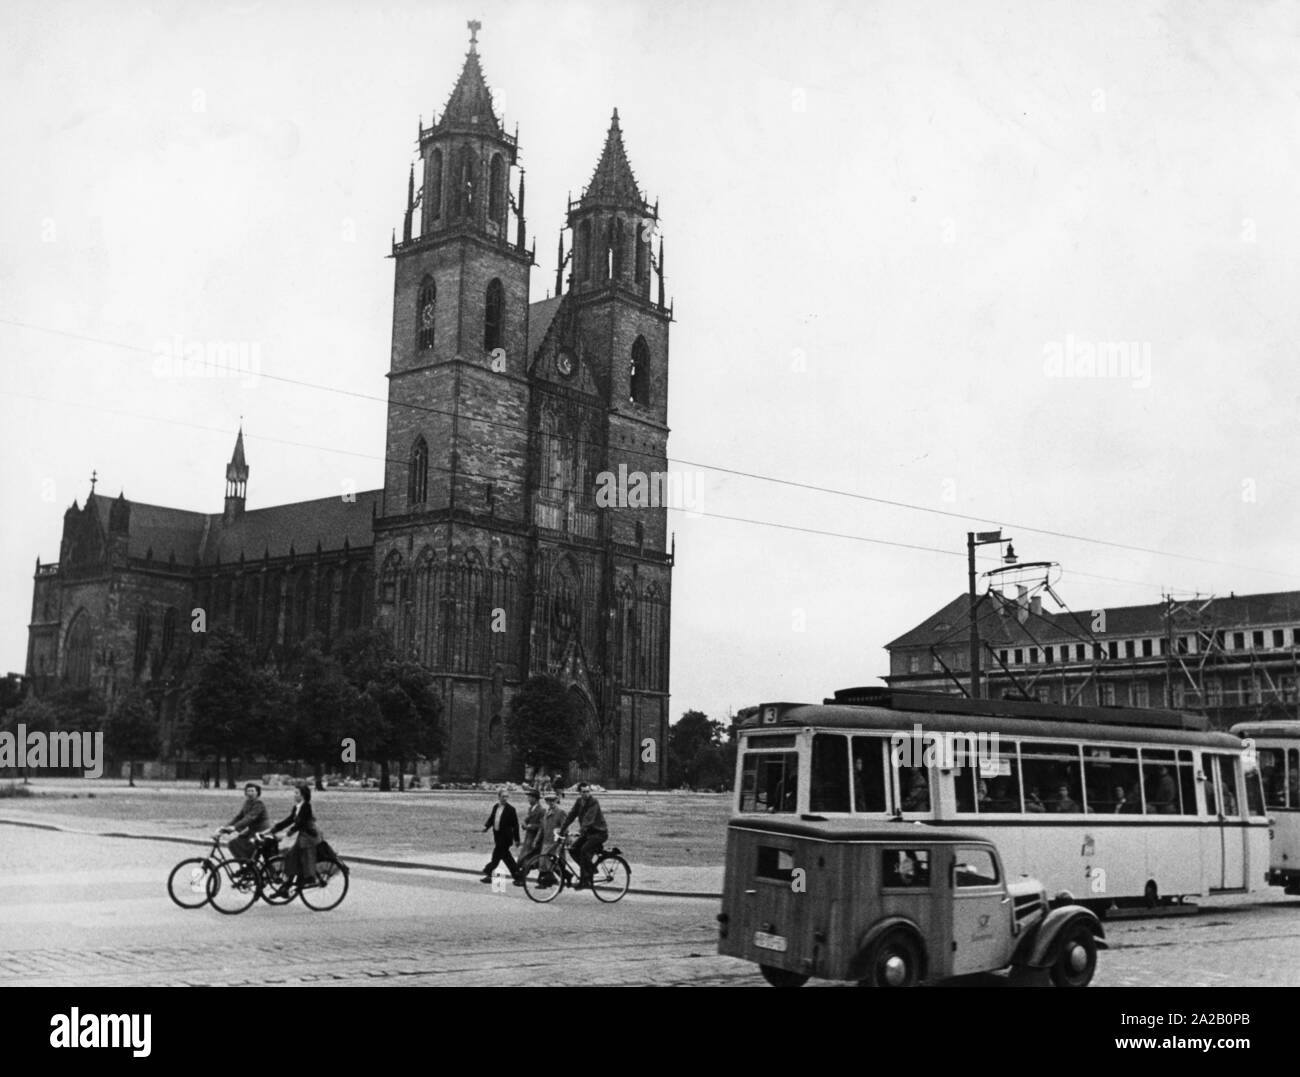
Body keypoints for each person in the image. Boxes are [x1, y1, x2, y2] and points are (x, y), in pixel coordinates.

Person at [267, 783, 321, 898]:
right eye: (294, 793)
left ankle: (309, 878)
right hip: (303, 836)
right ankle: (286, 887)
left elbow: (301, 823)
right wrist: (274, 829)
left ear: (303, 795)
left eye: (297, 793)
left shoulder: (306, 806)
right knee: (291, 857)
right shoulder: (297, 807)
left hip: (309, 837)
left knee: (298, 855)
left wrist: (287, 833)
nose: (294, 795)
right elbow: (289, 820)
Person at [562, 782, 609, 889]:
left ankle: (585, 879)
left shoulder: (593, 802)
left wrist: (580, 831)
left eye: (588, 791)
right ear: (579, 793)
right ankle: (590, 869)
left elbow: (589, 819)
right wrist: (562, 829)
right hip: (588, 833)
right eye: (583, 792)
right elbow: (571, 815)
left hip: (599, 833)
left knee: (584, 850)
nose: (586, 794)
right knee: (573, 849)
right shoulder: (579, 802)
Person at [219, 782, 269, 862]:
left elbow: (249, 818)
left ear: (257, 793)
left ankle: (250, 865)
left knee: (249, 846)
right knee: (233, 844)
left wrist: (235, 827)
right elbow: (239, 817)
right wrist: (226, 827)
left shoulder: (259, 804)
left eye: (252, 791)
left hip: (261, 832)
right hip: (252, 832)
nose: (250, 793)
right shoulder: (247, 803)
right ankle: (246, 865)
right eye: (248, 791)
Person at [481, 788, 521, 884]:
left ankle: (489, 871)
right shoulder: (496, 807)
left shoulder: (511, 809)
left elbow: (515, 825)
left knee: (498, 856)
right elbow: (492, 818)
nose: (505, 799)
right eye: (503, 796)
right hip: (498, 836)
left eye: (506, 796)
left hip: (506, 838)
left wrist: (517, 839)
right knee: (504, 857)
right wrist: (486, 827)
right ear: (498, 797)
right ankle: (518, 876)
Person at [537, 791, 567, 888]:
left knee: (553, 864)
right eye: (548, 800)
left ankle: (555, 881)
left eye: (553, 800)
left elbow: (565, 827)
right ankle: (550, 881)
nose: (551, 802)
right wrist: (537, 839)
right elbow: (542, 828)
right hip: (546, 841)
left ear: (556, 800)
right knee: (545, 863)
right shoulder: (546, 812)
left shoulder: (560, 812)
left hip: (555, 842)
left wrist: (561, 839)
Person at [518, 787, 544, 882]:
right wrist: (524, 823)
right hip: (528, 838)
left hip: (534, 839)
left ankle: (521, 879)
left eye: (530, 797)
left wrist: (529, 826)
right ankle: (521, 878)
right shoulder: (531, 809)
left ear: (535, 798)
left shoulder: (541, 810)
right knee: (526, 859)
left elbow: (542, 826)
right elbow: (527, 819)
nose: (528, 799)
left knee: (528, 859)